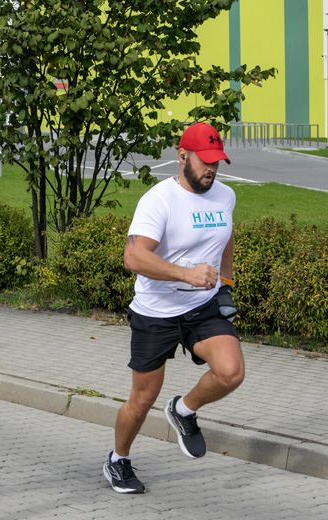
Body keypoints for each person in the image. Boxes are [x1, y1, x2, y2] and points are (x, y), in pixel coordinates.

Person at [103, 122, 244, 494]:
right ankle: (118, 460)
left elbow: (226, 236)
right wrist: (185, 274)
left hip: (202, 306)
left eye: (217, 161)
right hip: (156, 312)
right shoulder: (159, 200)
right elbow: (133, 256)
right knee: (142, 398)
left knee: (231, 372)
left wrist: (225, 284)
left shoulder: (224, 196)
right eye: (205, 161)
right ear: (182, 156)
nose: (212, 169)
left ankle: (183, 410)